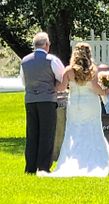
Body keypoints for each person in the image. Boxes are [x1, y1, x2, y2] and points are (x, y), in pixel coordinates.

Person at [40, 42, 109, 177]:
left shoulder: (69, 70)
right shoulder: (92, 70)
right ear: (88, 54)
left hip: (74, 104)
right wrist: (105, 91)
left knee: (73, 131)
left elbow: (61, 88)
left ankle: (73, 160)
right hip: (91, 104)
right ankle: (95, 161)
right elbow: (96, 89)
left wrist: (52, 83)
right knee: (93, 130)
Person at [20, 32, 65, 174]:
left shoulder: (24, 61)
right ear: (46, 45)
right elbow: (62, 77)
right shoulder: (52, 60)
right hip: (47, 99)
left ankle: (30, 167)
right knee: (47, 133)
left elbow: (23, 81)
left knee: (32, 133)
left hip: (30, 100)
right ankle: (43, 166)